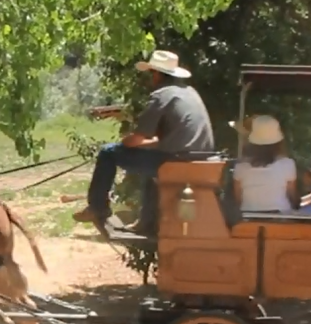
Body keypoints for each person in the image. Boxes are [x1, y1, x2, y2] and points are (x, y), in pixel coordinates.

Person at [72, 50, 215, 234]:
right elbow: (164, 140)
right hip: (197, 159)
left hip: (176, 160)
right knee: (151, 165)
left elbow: (137, 139)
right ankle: (147, 222)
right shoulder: (189, 92)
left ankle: (97, 207)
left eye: (151, 73)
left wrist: (124, 142)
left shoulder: (162, 95)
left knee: (108, 153)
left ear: (156, 74)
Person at [233, 115, 297, 212]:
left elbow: (238, 199)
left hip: (248, 217)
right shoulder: (288, 164)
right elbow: (292, 196)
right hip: (281, 218)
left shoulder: (240, 167)